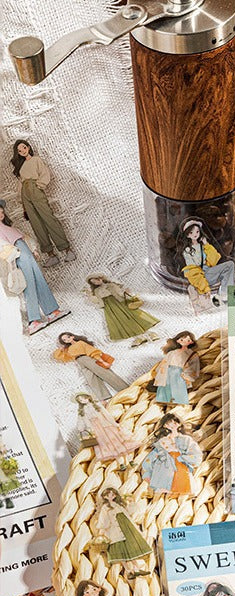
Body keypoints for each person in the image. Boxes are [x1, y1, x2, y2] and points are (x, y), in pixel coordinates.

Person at [0, 198, 67, 334]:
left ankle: (52, 311)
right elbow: (3, 247)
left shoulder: (8, 227)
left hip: (26, 254)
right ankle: (33, 320)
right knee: (29, 285)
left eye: (1, 211)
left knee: (39, 280)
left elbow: (24, 238)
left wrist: (33, 249)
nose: (1, 214)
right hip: (19, 256)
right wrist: (16, 253)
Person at [10, 140, 74, 266]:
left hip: (35, 189)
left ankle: (67, 249)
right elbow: (20, 184)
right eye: (19, 150)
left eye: (24, 147)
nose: (23, 151)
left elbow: (45, 173)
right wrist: (23, 204)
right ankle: (51, 255)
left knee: (49, 218)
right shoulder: (21, 166)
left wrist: (39, 185)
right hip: (25, 194)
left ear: (28, 147)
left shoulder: (36, 160)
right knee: (36, 224)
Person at [84, 274, 159, 345]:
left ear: (100, 278)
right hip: (109, 308)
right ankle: (140, 337)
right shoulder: (97, 291)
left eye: (96, 280)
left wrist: (125, 293)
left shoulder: (111, 285)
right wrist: (89, 295)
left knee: (133, 317)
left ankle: (151, 334)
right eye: (94, 282)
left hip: (118, 303)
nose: (96, 283)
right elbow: (97, 300)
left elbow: (120, 293)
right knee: (121, 322)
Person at [92, 488, 151, 578]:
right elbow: (103, 520)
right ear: (105, 497)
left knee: (130, 549)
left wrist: (131, 502)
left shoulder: (118, 505)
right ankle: (128, 571)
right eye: (109, 495)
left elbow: (128, 512)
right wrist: (101, 532)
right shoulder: (105, 507)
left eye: (113, 494)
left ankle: (136, 569)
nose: (111, 496)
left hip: (126, 528)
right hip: (114, 530)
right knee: (121, 552)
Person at [177, 216, 235, 307]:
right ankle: (224, 295)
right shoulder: (187, 251)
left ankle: (224, 294)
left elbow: (214, 260)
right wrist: (205, 288)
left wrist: (206, 244)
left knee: (230, 265)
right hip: (199, 278)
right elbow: (192, 271)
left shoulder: (203, 246)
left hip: (208, 272)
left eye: (197, 231)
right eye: (191, 232)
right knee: (229, 265)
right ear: (187, 235)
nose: (195, 234)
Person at [53, 332, 128, 401]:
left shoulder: (80, 343)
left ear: (72, 336)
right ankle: (104, 397)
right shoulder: (68, 349)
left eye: (68, 337)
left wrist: (103, 362)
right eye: (64, 340)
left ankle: (124, 388)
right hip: (80, 362)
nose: (67, 340)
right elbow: (58, 357)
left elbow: (91, 351)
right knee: (91, 379)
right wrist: (61, 349)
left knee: (104, 372)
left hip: (87, 358)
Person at [141, 412, 202, 496]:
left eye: (175, 422)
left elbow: (196, 453)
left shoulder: (186, 439)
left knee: (181, 481)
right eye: (170, 422)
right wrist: (147, 467)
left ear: (179, 424)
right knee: (165, 481)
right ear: (165, 425)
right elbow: (154, 454)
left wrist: (183, 458)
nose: (173, 424)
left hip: (180, 464)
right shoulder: (162, 441)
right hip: (165, 464)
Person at [74, 393, 140, 466]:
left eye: (84, 398)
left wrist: (114, 423)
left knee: (119, 442)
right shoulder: (82, 411)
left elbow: (106, 415)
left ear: (88, 397)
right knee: (110, 447)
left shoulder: (97, 405)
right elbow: (81, 421)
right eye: (80, 400)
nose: (83, 400)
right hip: (96, 430)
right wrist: (82, 429)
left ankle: (130, 460)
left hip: (106, 426)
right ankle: (121, 464)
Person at [153, 331, 200, 406]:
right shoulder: (172, 352)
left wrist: (186, 375)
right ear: (177, 340)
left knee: (179, 390)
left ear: (191, 342)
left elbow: (194, 366)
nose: (184, 341)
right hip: (168, 372)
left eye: (188, 340)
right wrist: (161, 372)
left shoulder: (191, 354)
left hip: (180, 373)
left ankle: (178, 404)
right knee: (166, 388)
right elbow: (164, 363)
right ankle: (163, 403)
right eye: (181, 339)